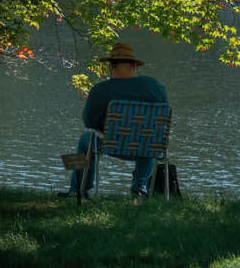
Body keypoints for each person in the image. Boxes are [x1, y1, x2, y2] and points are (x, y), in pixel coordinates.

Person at [63, 42, 168, 197]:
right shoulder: (155, 87)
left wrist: (108, 128)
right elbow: (162, 120)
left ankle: (77, 190)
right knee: (150, 136)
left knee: (85, 140)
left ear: (111, 66)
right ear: (134, 65)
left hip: (114, 144)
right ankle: (139, 187)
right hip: (148, 146)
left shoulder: (100, 90)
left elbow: (88, 122)